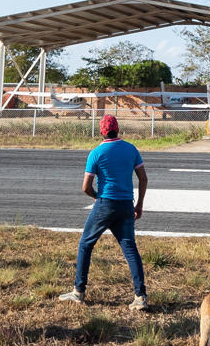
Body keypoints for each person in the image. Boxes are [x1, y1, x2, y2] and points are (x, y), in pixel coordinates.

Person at [57, 115, 148, 309]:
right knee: (130, 248)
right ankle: (140, 296)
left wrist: (98, 197)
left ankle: (78, 291)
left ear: (101, 131)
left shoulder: (96, 153)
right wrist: (139, 204)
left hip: (105, 203)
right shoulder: (131, 149)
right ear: (118, 129)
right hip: (126, 204)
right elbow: (143, 178)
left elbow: (85, 187)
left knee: (85, 244)